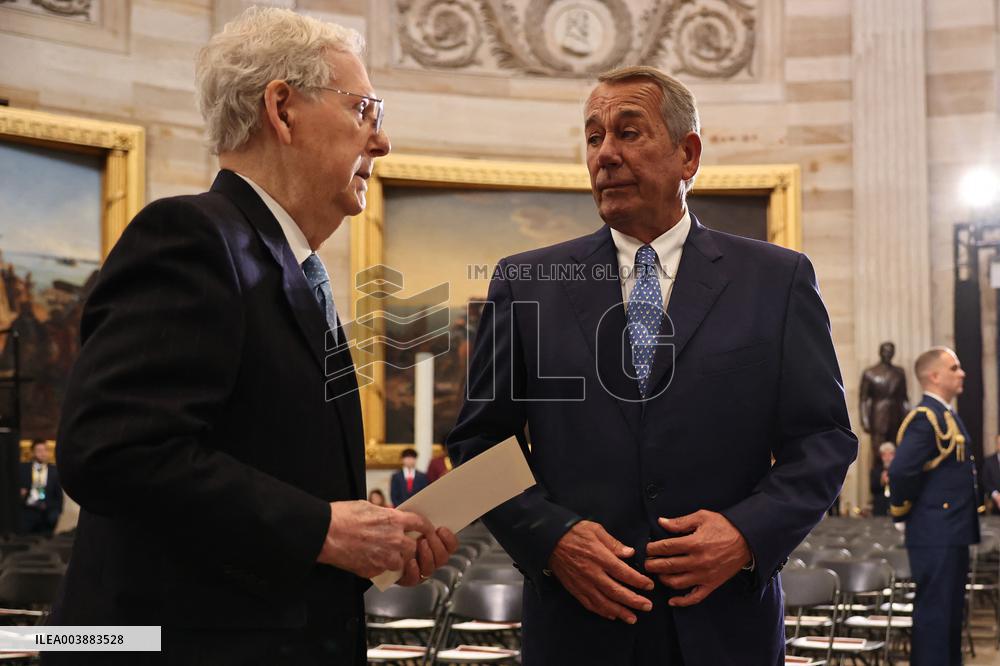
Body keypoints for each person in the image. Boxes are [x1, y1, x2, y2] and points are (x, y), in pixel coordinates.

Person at [46, 8, 455, 665]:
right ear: (283, 108)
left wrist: (370, 543)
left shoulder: (288, 268)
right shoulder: (191, 239)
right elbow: (111, 450)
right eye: (365, 111)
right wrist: (322, 530)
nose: (380, 142)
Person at [447, 65, 857, 664]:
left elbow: (823, 441)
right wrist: (551, 539)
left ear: (688, 155)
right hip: (579, 626)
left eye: (629, 133)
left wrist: (747, 535)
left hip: (722, 626)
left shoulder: (776, 279)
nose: (605, 154)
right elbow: (479, 443)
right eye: (593, 137)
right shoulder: (526, 281)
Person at [889, 346, 979, 666]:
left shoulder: (945, 414)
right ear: (935, 376)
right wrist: (901, 512)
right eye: (954, 368)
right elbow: (900, 470)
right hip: (934, 531)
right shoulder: (926, 418)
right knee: (936, 617)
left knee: (951, 615)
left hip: (950, 529)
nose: (962, 373)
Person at [859, 341, 909, 462]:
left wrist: (908, 417)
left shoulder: (899, 373)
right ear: (880, 352)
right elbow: (863, 399)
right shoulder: (870, 373)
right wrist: (865, 420)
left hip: (896, 414)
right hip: (878, 415)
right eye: (885, 351)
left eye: (890, 351)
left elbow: (904, 397)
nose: (888, 354)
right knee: (878, 452)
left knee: (896, 449)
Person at [18, 439, 62, 535]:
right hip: (27, 512)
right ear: (33, 452)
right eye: (39, 451)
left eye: (45, 450)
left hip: (47, 513)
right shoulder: (22, 468)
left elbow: (59, 496)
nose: (42, 453)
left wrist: (56, 512)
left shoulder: (54, 470)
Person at [869, 441, 895, 516]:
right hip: (880, 508)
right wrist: (881, 480)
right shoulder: (875, 471)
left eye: (890, 454)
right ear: (881, 456)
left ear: (894, 455)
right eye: (884, 455)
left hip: (894, 506)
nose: (887, 457)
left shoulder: (898, 470)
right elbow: (872, 489)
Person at [983, 435, 1000, 513]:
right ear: (996, 444)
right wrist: (996, 495)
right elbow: (985, 482)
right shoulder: (988, 461)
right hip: (994, 506)